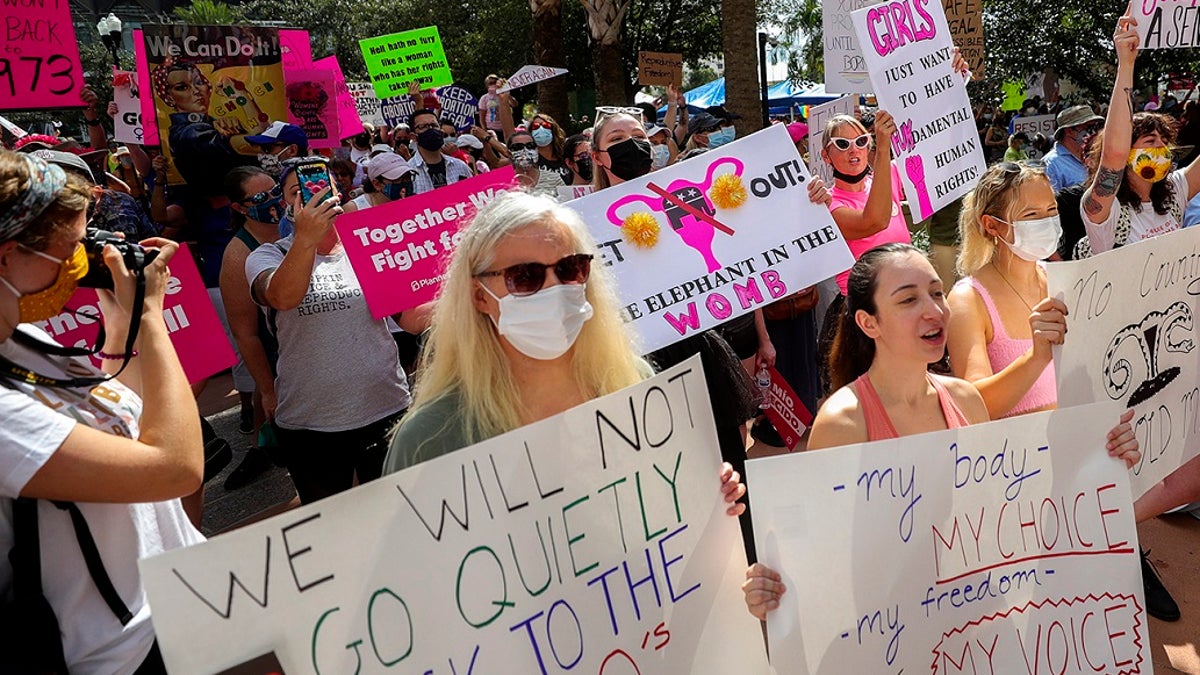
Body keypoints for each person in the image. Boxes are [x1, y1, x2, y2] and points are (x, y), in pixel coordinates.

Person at [742, 243, 1141, 620]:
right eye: (908, 299)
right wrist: (775, 590)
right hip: (893, 629)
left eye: (937, 293)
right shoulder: (845, 422)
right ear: (868, 322)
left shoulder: (965, 400)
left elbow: (1005, 506)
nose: (934, 310)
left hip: (973, 616)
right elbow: (821, 544)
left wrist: (1101, 458)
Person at [382, 191, 746, 514]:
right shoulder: (429, 439)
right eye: (524, 276)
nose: (556, 289)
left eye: (571, 269)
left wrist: (707, 504)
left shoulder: (634, 384)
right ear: (480, 296)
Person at [948, 157, 1195, 620]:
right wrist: (1036, 355)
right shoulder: (967, 298)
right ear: (993, 226)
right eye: (1031, 216)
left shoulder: (1063, 280)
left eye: (1049, 211)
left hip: (1080, 452)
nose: (1047, 223)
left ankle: (1123, 551)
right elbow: (972, 405)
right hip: (1018, 471)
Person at [0, 150, 204, 671]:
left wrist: (124, 325)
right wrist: (153, 319)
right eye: (70, 247)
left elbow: (127, 416)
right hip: (120, 657)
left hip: (183, 608)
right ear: (7, 256)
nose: (81, 259)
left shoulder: (20, 339)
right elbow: (175, 468)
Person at [244, 159, 414, 503]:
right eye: (300, 191)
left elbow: (408, 318)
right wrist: (306, 239)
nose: (315, 195)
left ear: (340, 194)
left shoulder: (368, 244)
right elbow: (282, 296)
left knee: (396, 513)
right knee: (329, 526)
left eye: (326, 187)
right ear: (286, 205)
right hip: (311, 422)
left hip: (385, 407)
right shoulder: (267, 256)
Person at [1077, 15, 1200, 258]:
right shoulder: (1106, 212)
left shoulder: (1174, 193)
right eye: (1150, 141)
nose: (1161, 149)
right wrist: (1126, 64)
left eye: (1165, 142)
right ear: (1127, 150)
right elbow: (1114, 155)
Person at [815, 111, 911, 394]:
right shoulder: (829, 206)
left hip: (902, 307)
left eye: (860, 140)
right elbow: (874, 221)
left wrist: (956, 79)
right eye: (842, 144)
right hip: (862, 316)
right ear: (826, 156)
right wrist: (882, 147)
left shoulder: (889, 174)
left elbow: (934, 140)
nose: (853, 149)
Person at [218, 166, 285, 490]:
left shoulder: (295, 226)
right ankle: (262, 450)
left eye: (275, 191)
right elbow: (245, 333)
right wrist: (268, 389)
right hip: (278, 351)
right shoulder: (238, 254)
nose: (274, 200)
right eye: (261, 197)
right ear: (240, 207)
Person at [406, 109, 472, 194]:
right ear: (413, 136)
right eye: (423, 126)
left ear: (441, 131)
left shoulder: (460, 166)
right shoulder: (409, 173)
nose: (431, 129)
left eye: (434, 125)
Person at [1042, 105, 1104, 193]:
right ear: (1069, 131)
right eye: (1088, 127)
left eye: (1095, 127)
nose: (1093, 132)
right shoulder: (1051, 165)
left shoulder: (1094, 156)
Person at [343, 152, 416, 213]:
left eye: (407, 177)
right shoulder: (354, 209)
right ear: (376, 184)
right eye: (396, 179)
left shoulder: (415, 203)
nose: (404, 183)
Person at [507, 131, 565, 198]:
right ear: (509, 154)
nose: (525, 150)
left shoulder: (554, 179)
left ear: (537, 150)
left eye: (530, 146)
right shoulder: (502, 182)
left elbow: (566, 205)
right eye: (517, 147)